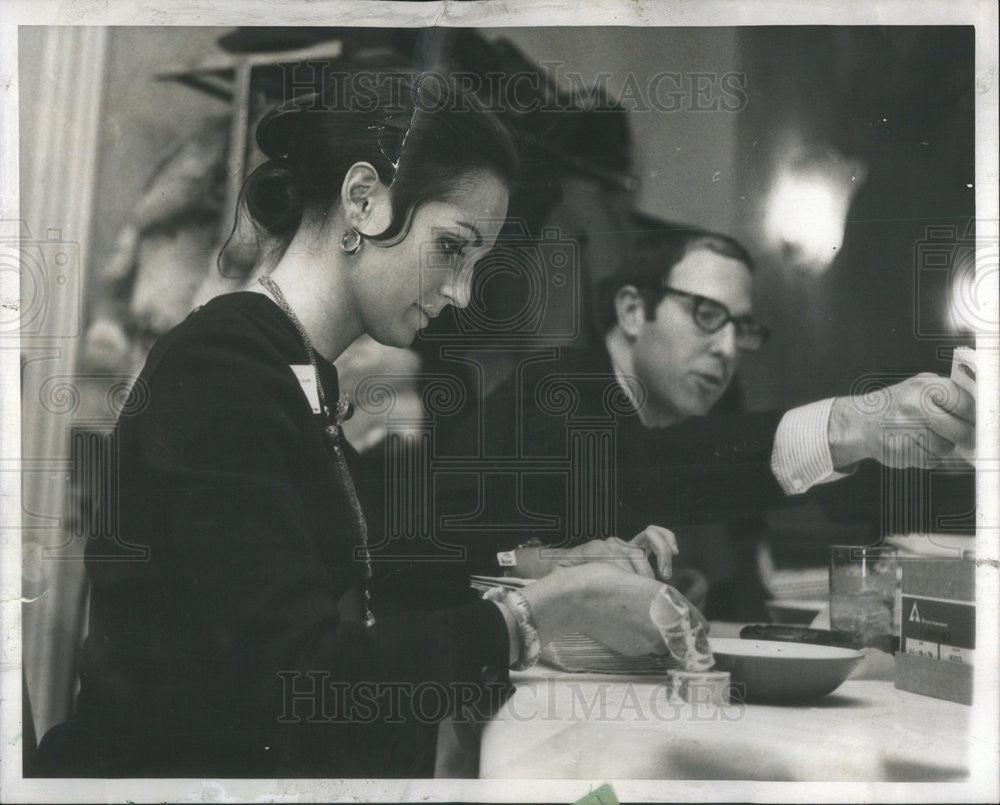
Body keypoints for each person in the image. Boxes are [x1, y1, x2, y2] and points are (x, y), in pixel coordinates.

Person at [34, 74, 701, 779]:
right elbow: (299, 673)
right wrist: (542, 612)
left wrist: (545, 567)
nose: (462, 293)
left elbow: (364, 556)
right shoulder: (220, 367)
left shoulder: (292, 362)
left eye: (477, 263)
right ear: (363, 200)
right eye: (452, 247)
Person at [429, 227, 975, 590]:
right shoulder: (557, 388)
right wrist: (851, 423)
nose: (729, 349)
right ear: (633, 310)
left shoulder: (694, 411)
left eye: (741, 328)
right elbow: (647, 467)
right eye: (707, 315)